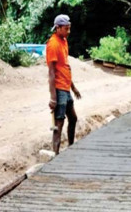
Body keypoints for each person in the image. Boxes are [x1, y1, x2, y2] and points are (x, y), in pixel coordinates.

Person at [46, 14, 81, 155]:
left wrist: (73, 87)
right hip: (59, 89)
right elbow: (51, 72)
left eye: (69, 28)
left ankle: (71, 147)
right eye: (66, 28)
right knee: (59, 123)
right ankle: (56, 154)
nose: (69, 31)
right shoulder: (53, 44)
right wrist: (53, 97)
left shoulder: (64, 41)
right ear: (58, 28)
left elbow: (65, 66)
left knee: (73, 118)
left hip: (66, 88)